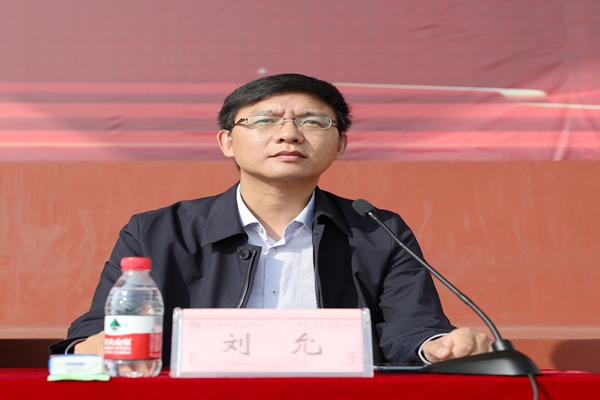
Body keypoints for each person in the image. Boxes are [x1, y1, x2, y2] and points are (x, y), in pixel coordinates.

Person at [49, 73, 492, 367]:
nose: (289, 134)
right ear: (227, 142)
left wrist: (437, 346)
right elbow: (97, 332)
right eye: (265, 120)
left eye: (313, 122)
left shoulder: (378, 230)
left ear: (339, 144)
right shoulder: (158, 231)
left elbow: (411, 328)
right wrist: (95, 346)